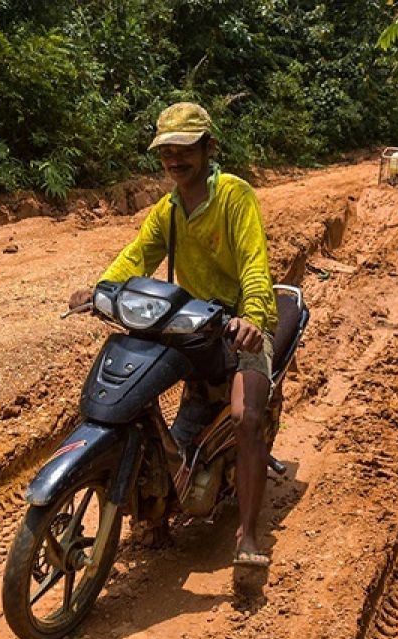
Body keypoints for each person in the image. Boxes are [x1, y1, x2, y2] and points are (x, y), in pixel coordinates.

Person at [67, 102, 277, 568]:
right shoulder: (168, 209)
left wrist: (254, 319)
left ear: (207, 147)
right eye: (167, 151)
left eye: (185, 148)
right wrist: (101, 289)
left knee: (246, 418)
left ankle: (247, 537)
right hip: (188, 323)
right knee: (136, 395)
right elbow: (135, 256)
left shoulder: (234, 197)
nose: (175, 160)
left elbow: (255, 266)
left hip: (238, 326)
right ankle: (155, 506)